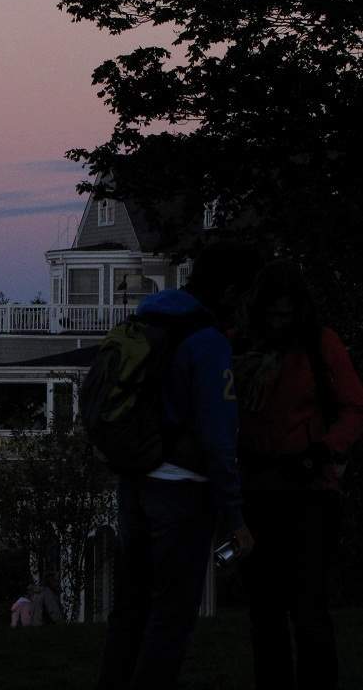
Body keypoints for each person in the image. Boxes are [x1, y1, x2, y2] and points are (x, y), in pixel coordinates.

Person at [95, 285, 239, 689]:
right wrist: (234, 511)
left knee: (129, 606)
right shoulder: (207, 341)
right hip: (183, 488)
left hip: (135, 478)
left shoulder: (147, 324)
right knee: (171, 615)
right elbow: (218, 435)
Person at [242, 290, 359, 688]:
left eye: (284, 315)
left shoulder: (319, 344)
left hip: (309, 489)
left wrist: (326, 449)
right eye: (272, 314)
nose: (278, 323)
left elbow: (353, 405)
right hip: (261, 490)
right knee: (266, 609)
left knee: (308, 605)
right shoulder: (246, 345)